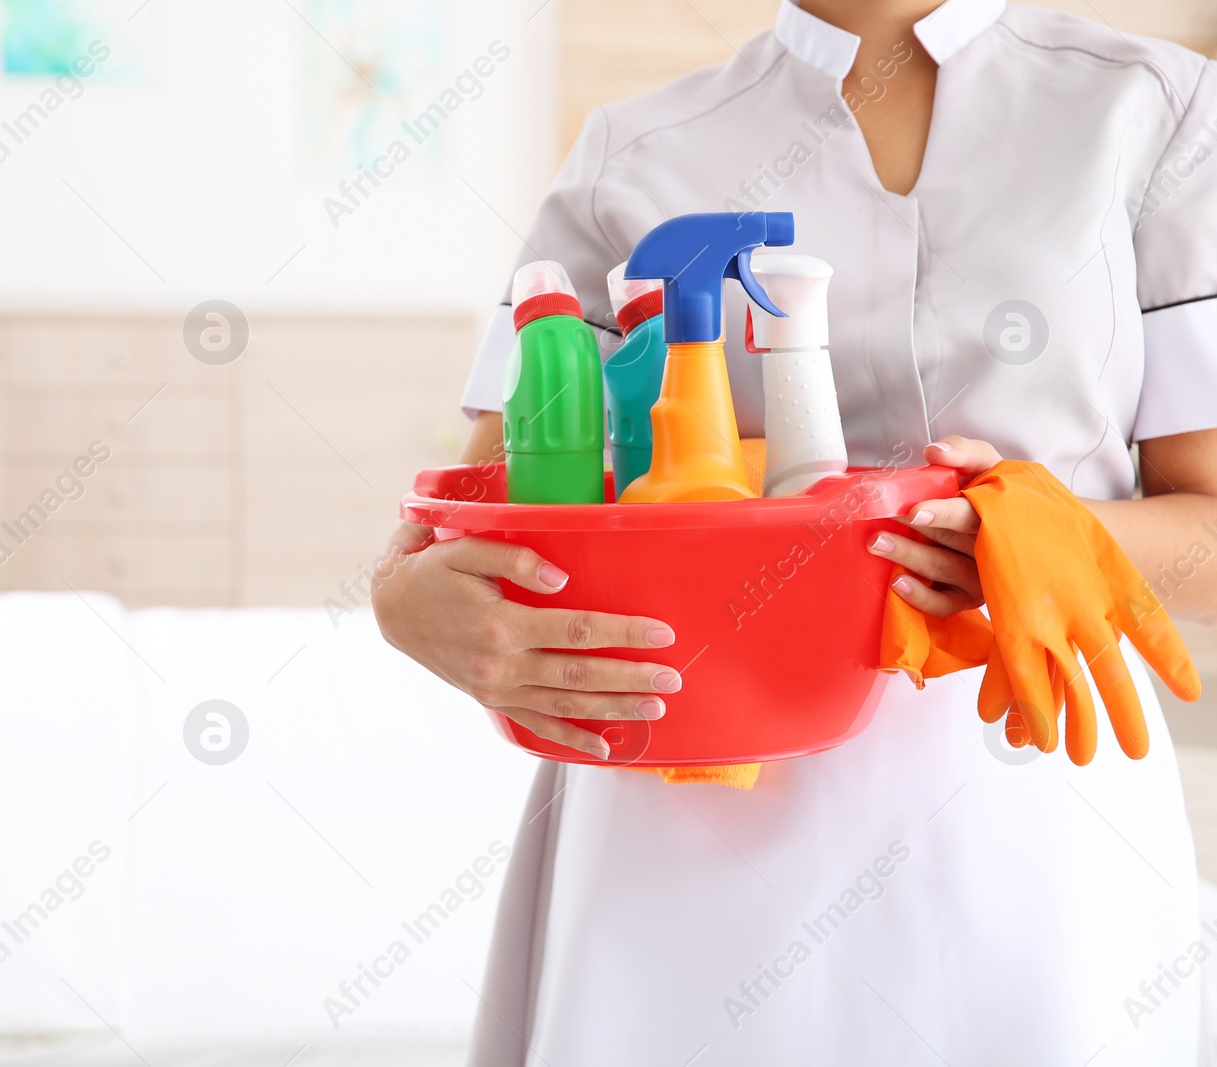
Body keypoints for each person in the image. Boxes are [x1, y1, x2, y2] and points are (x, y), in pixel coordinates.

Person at [371, 0, 1217, 1062]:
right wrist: (401, 597)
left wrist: (1078, 536)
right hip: (681, 809)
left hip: (1027, 801)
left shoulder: (1159, 113)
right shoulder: (629, 156)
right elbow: (491, 504)